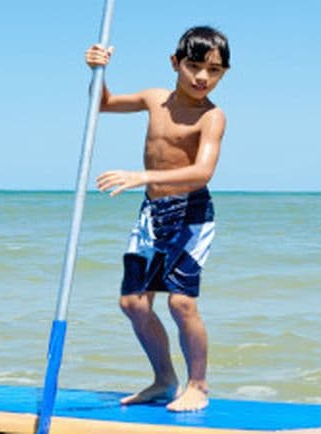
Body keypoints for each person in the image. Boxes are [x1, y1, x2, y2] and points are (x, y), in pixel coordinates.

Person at [85, 26, 229, 412]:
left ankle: (198, 385)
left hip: (191, 214)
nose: (202, 77)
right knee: (133, 303)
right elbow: (103, 104)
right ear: (175, 63)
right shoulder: (154, 99)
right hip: (153, 213)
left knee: (181, 304)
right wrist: (97, 72)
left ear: (223, 75)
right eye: (194, 66)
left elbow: (202, 173)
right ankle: (164, 380)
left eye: (214, 71)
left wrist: (142, 176)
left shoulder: (211, 118)